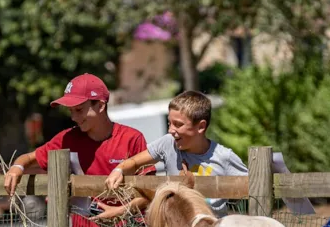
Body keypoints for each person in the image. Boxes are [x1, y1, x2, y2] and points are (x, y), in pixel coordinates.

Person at [104, 90, 316, 217]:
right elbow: (134, 161)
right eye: (170, 123)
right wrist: (119, 169)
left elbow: (255, 189)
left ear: (200, 127)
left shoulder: (223, 157)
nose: (170, 130)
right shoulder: (168, 143)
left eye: (178, 124)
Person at [3, 73, 154, 227]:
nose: (73, 117)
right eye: (71, 111)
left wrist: (119, 212)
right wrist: (17, 167)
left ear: (100, 106)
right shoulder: (67, 139)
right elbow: (29, 158)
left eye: (79, 110)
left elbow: (150, 192)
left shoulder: (132, 139)